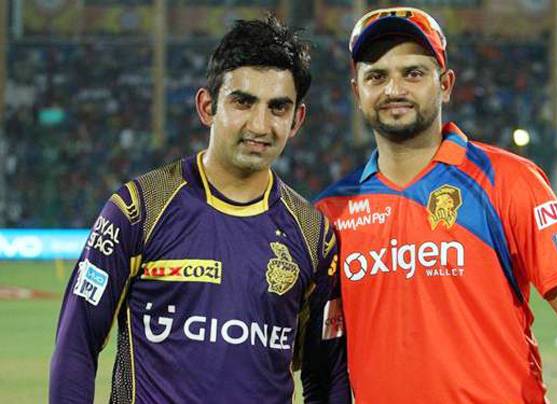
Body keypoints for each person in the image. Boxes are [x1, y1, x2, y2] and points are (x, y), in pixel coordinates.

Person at [315, 7, 557, 404]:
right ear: (357, 92)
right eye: (377, 76)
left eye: (413, 73)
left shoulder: (509, 180)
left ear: (446, 85)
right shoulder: (333, 211)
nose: (394, 89)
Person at [50, 16, 350, 404]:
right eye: (242, 102)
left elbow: (325, 377)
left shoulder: (313, 236)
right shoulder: (139, 209)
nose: (260, 125)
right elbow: (76, 346)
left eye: (278, 108)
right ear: (207, 107)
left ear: (297, 121)